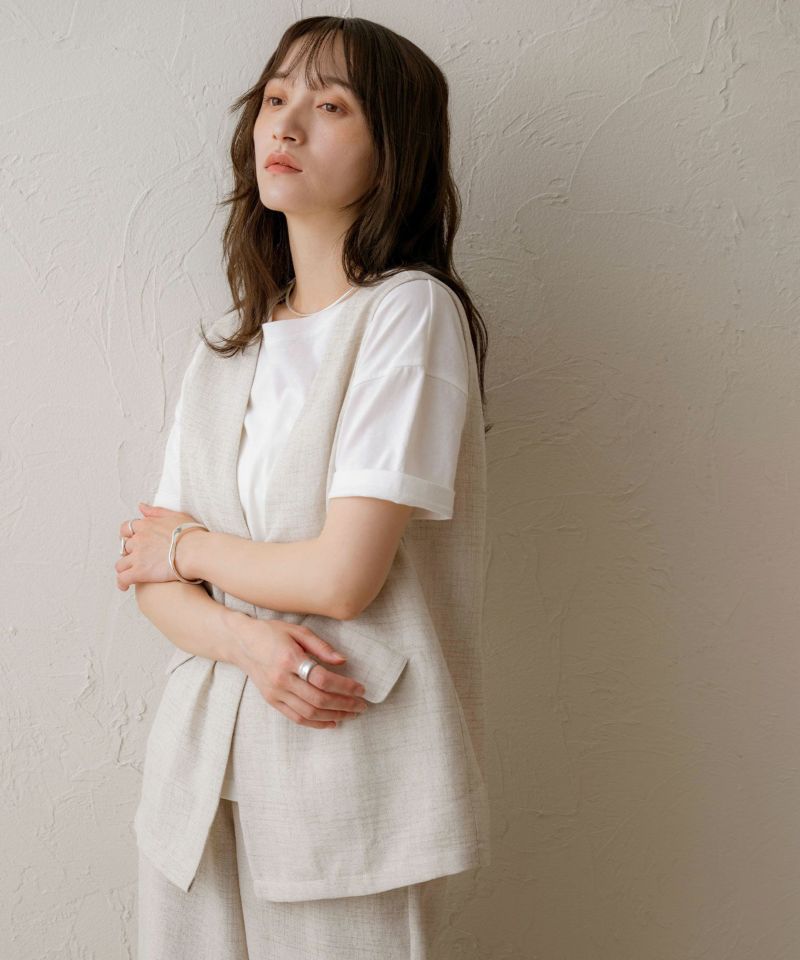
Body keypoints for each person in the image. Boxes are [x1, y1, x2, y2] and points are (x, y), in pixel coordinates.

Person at [116, 15, 491, 959]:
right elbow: (149, 581)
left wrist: (188, 549)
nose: (284, 125)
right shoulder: (227, 346)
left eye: (331, 107)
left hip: (343, 769)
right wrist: (243, 638)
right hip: (196, 782)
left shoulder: (408, 314)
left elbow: (340, 578)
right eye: (276, 99)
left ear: (393, 152)